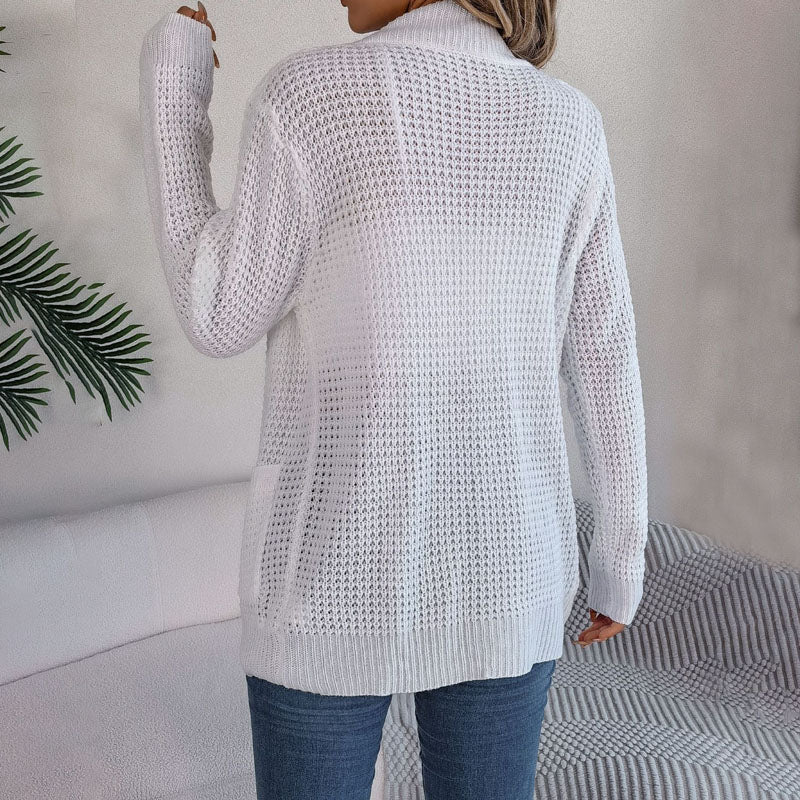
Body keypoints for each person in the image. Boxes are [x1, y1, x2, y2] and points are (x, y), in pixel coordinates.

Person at [138, 0, 648, 797]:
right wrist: (618, 564)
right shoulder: (570, 125)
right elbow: (605, 358)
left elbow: (217, 311)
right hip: (509, 579)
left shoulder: (309, 98)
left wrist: (176, 80)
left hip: (327, 585)